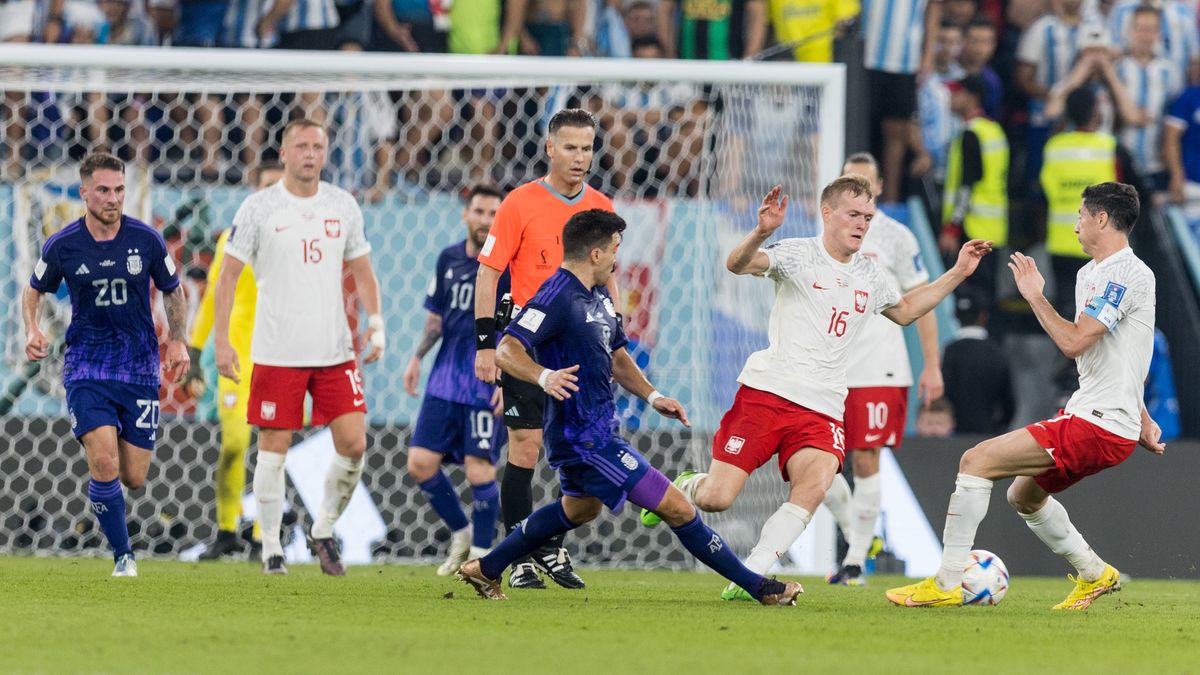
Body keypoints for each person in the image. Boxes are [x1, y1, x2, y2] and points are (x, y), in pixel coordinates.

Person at [641, 176, 992, 601]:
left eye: (867, 216)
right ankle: (685, 486)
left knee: (815, 485)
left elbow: (904, 311)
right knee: (717, 498)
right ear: (827, 214)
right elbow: (737, 264)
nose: (862, 224)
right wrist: (762, 232)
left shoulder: (871, 275)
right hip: (767, 393)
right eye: (853, 214)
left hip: (823, 407)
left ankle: (751, 574)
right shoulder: (796, 254)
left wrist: (956, 272)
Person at [456, 209, 803, 606]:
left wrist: (654, 397)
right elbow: (506, 349)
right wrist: (543, 377)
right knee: (676, 506)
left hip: (601, 429)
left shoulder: (600, 297)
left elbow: (618, 357)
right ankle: (760, 587)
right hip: (582, 438)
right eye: (615, 248)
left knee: (579, 509)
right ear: (596, 254)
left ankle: (485, 569)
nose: (619, 259)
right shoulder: (556, 294)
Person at [886, 182, 1163, 610]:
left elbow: (1074, 343)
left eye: (1080, 217)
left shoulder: (1128, 273)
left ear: (1102, 219)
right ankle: (1096, 574)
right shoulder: (1091, 274)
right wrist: (1142, 418)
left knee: (975, 461)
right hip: (1101, 416)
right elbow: (1117, 355)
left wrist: (1035, 297)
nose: (1074, 227)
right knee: (1024, 495)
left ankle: (945, 583)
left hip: (1099, 423)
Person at [214, 118, 385, 577]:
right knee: (273, 448)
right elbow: (227, 277)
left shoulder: (343, 204)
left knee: (354, 443)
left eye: (317, 146)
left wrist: (377, 324)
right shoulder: (259, 207)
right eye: (301, 146)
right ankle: (271, 547)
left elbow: (364, 271)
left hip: (333, 351)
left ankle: (323, 529)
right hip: (277, 351)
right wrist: (222, 341)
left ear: (325, 153)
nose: (310, 154)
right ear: (284, 153)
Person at [22, 152, 190, 577]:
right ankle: (123, 556)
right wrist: (32, 329)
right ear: (84, 193)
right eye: (103, 190)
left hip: (138, 369)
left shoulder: (146, 239)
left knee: (133, 476)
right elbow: (34, 289)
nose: (113, 198)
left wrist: (177, 340)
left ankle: (107, 504)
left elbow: (173, 290)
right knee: (104, 462)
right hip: (87, 368)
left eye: (118, 190)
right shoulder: (62, 245)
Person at [473, 108, 615, 590]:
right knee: (526, 447)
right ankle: (521, 557)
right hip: (527, 348)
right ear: (550, 148)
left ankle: (550, 546)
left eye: (587, 148)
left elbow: (606, 279)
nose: (580, 157)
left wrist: (614, 333)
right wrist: (485, 343)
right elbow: (489, 272)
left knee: (575, 454)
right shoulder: (519, 203)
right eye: (570, 147)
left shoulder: (600, 205)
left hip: (577, 354)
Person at [823, 153, 944, 587]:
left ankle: (854, 561)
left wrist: (931, 365)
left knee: (866, 457)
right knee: (815, 462)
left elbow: (922, 302)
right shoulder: (823, 238)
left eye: (868, 187)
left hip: (880, 366)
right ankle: (857, 535)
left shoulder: (896, 237)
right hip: (830, 366)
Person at [405, 184, 508, 576]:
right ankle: (462, 534)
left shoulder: (508, 267)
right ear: (466, 215)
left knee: (479, 470)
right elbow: (436, 319)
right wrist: (416, 356)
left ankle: (482, 558)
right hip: (444, 380)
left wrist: (507, 380)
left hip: (485, 382)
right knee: (419, 463)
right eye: (479, 212)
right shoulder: (448, 258)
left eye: (493, 213)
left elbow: (517, 329)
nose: (485, 220)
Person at [186, 162, 283, 561]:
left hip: (279, 358)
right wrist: (194, 354)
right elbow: (211, 300)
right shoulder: (233, 237)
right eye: (267, 186)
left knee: (271, 450)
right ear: (254, 189)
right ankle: (227, 529)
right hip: (236, 360)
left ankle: (263, 535)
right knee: (235, 445)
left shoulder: (299, 243)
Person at [941, 286, 1014, 435]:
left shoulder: (950, 351)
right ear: (984, 316)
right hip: (987, 435)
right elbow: (1009, 402)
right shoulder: (996, 351)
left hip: (953, 437)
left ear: (955, 315)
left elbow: (944, 394)